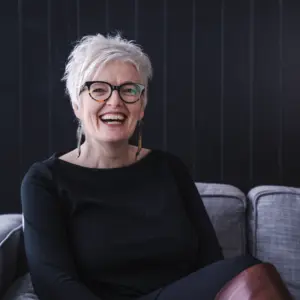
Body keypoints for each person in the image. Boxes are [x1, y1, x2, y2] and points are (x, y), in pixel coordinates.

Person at [21, 33, 260, 300]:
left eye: (129, 90)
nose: (115, 102)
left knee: (248, 274)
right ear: (77, 104)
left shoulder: (169, 169)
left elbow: (211, 264)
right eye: (98, 89)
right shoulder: (45, 181)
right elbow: (52, 282)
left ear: (141, 107)